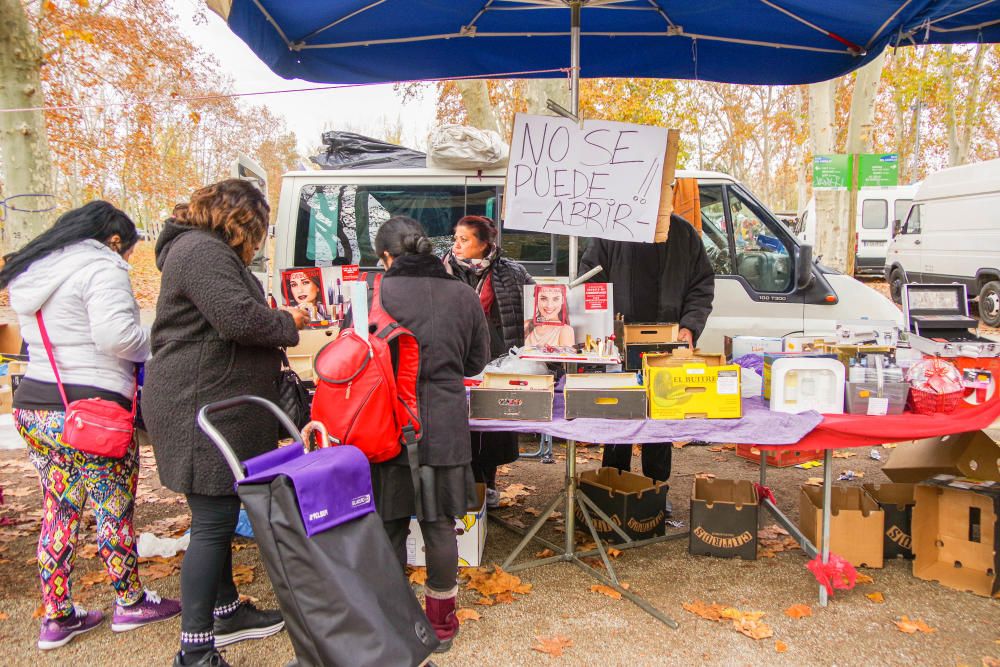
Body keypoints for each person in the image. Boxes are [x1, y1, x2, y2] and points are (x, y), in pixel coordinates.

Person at [142, 180, 309, 667]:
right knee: (214, 522)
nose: (256, 240)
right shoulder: (201, 251)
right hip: (200, 404)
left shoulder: (201, 249)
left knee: (212, 514)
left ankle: (226, 611)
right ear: (240, 219)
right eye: (257, 228)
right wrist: (289, 320)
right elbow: (237, 319)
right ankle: (195, 651)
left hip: (210, 399)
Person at [1, 201, 181, 650]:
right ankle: (129, 600)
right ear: (114, 240)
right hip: (94, 410)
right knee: (112, 506)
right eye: (127, 251)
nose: (125, 260)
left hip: (36, 404)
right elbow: (117, 337)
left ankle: (58, 615)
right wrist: (155, 343)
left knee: (59, 509)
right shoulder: (102, 267)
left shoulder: (34, 271)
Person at [371, 216, 490, 653]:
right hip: (443, 422)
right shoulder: (463, 294)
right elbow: (477, 362)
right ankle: (441, 625)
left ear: (387, 256)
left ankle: (394, 620)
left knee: (390, 525)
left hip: (388, 422)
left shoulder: (378, 293)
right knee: (440, 525)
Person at [580, 213, 715, 511]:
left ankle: (656, 490)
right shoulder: (611, 226)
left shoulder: (683, 233)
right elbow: (591, 279)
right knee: (619, 415)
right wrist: (602, 328)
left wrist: (690, 326)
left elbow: (702, 284)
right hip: (618, 341)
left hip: (667, 342)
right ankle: (612, 487)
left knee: (661, 417)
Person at [443, 215, 534, 508]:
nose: (456, 245)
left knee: (493, 424)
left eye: (464, 239)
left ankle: (489, 485)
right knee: (462, 422)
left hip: (498, 357)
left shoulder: (513, 271)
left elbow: (540, 300)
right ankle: (467, 484)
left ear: (484, 244)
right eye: (455, 238)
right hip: (456, 355)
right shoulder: (441, 270)